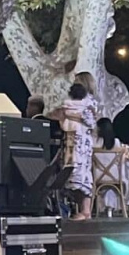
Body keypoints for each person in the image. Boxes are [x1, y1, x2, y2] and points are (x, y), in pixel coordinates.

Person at [51, 81, 97, 220]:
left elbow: (58, 117)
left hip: (77, 145)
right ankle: (82, 209)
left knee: (78, 176)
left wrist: (69, 115)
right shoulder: (86, 108)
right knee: (75, 176)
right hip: (77, 144)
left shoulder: (80, 107)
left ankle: (85, 210)